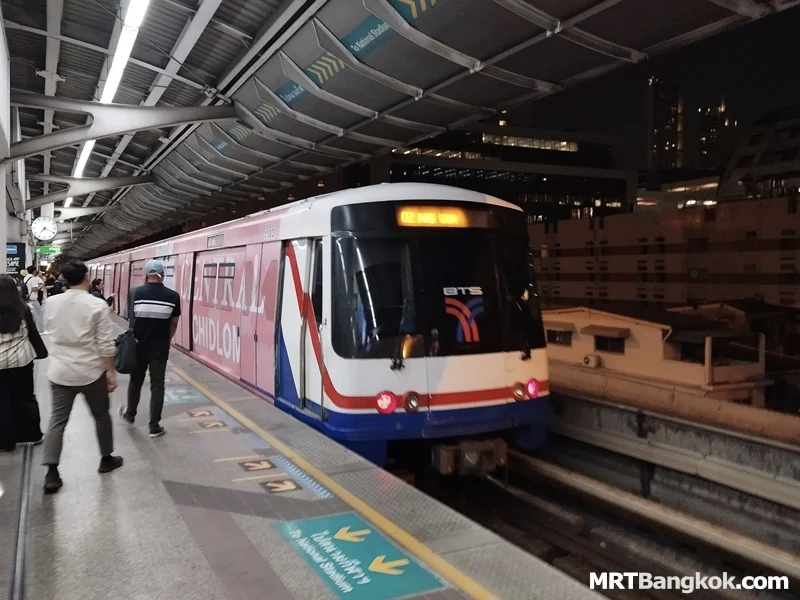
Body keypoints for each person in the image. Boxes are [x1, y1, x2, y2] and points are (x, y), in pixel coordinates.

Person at [41, 259, 123, 494]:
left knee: (57, 422)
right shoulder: (97, 305)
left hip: (60, 372)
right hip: (91, 372)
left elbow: (50, 330)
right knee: (101, 416)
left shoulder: (51, 302)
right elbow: (105, 345)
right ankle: (106, 459)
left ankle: (52, 473)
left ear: (65, 279)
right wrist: (111, 372)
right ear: (87, 277)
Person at [120, 260, 180, 438]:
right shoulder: (173, 296)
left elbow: (130, 318)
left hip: (137, 346)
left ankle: (130, 414)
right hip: (159, 347)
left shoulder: (135, 293)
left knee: (135, 381)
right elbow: (174, 323)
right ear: (163, 275)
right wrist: (167, 339)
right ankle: (154, 426)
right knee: (157, 385)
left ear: (146, 275)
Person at [0, 275, 45, 452]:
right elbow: (33, 332)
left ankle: (5, 441)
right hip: (22, 362)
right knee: (26, 398)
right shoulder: (25, 310)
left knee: (2, 402)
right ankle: (32, 435)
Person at [23, 265, 44, 330]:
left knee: (30, 315)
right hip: (33, 299)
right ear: (34, 271)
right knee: (38, 314)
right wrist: (41, 286)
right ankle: (40, 329)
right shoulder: (33, 279)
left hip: (26, 298)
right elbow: (34, 289)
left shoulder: (25, 278)